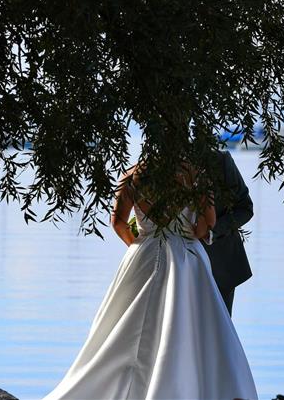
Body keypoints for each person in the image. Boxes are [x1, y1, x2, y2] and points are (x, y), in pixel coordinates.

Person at [41, 162, 258, 400]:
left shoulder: (132, 175)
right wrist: (189, 231)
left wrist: (139, 246)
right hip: (186, 256)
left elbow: (118, 221)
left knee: (127, 326)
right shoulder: (196, 174)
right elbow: (207, 224)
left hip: (144, 252)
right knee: (192, 325)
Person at [200, 150, 254, 317]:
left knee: (219, 331)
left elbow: (245, 208)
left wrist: (211, 231)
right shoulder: (159, 167)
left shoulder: (219, 161)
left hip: (220, 266)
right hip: (173, 267)